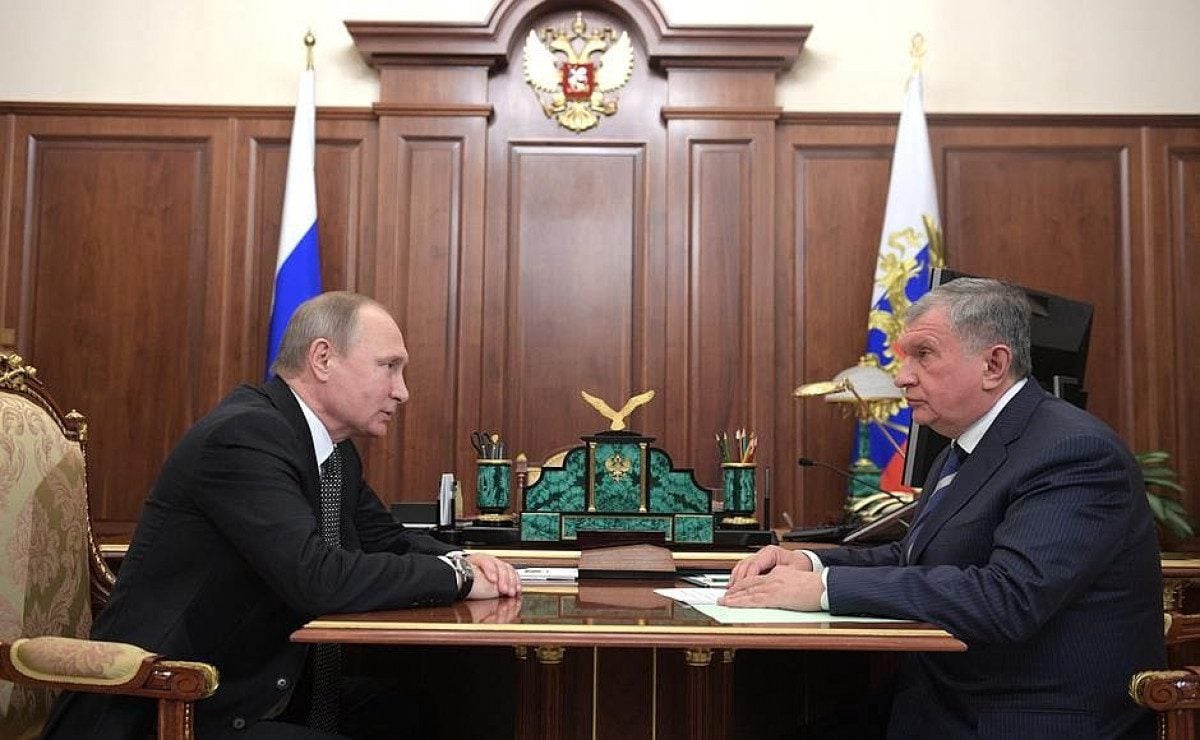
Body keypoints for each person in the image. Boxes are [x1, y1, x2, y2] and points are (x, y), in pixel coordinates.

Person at [44, 291, 520, 739]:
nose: (402, 391)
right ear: (323, 359)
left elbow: (387, 541)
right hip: (170, 704)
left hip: (261, 688)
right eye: (388, 367)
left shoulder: (334, 452)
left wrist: (464, 560)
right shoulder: (244, 437)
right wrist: (456, 578)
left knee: (408, 712)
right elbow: (316, 578)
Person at [723, 278, 1166, 739]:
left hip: (1025, 719)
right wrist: (810, 562)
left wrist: (824, 589)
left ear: (993, 365)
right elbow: (916, 557)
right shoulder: (962, 447)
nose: (902, 376)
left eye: (924, 355)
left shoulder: (1073, 451)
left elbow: (1008, 598)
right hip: (946, 702)